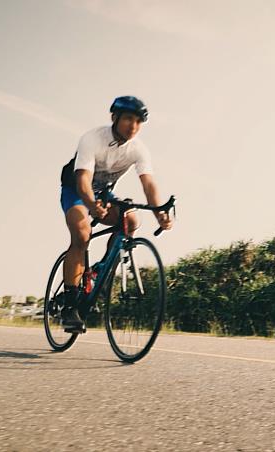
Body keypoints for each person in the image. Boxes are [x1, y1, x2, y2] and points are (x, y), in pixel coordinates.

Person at [58, 96, 173, 331]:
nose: (133, 126)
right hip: (77, 191)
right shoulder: (92, 139)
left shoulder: (138, 149)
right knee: (82, 235)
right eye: (129, 119)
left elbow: (148, 183)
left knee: (131, 221)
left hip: (103, 194)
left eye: (139, 121)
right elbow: (82, 180)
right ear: (114, 118)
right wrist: (91, 204)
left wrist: (159, 211)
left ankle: (101, 269)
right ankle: (70, 306)